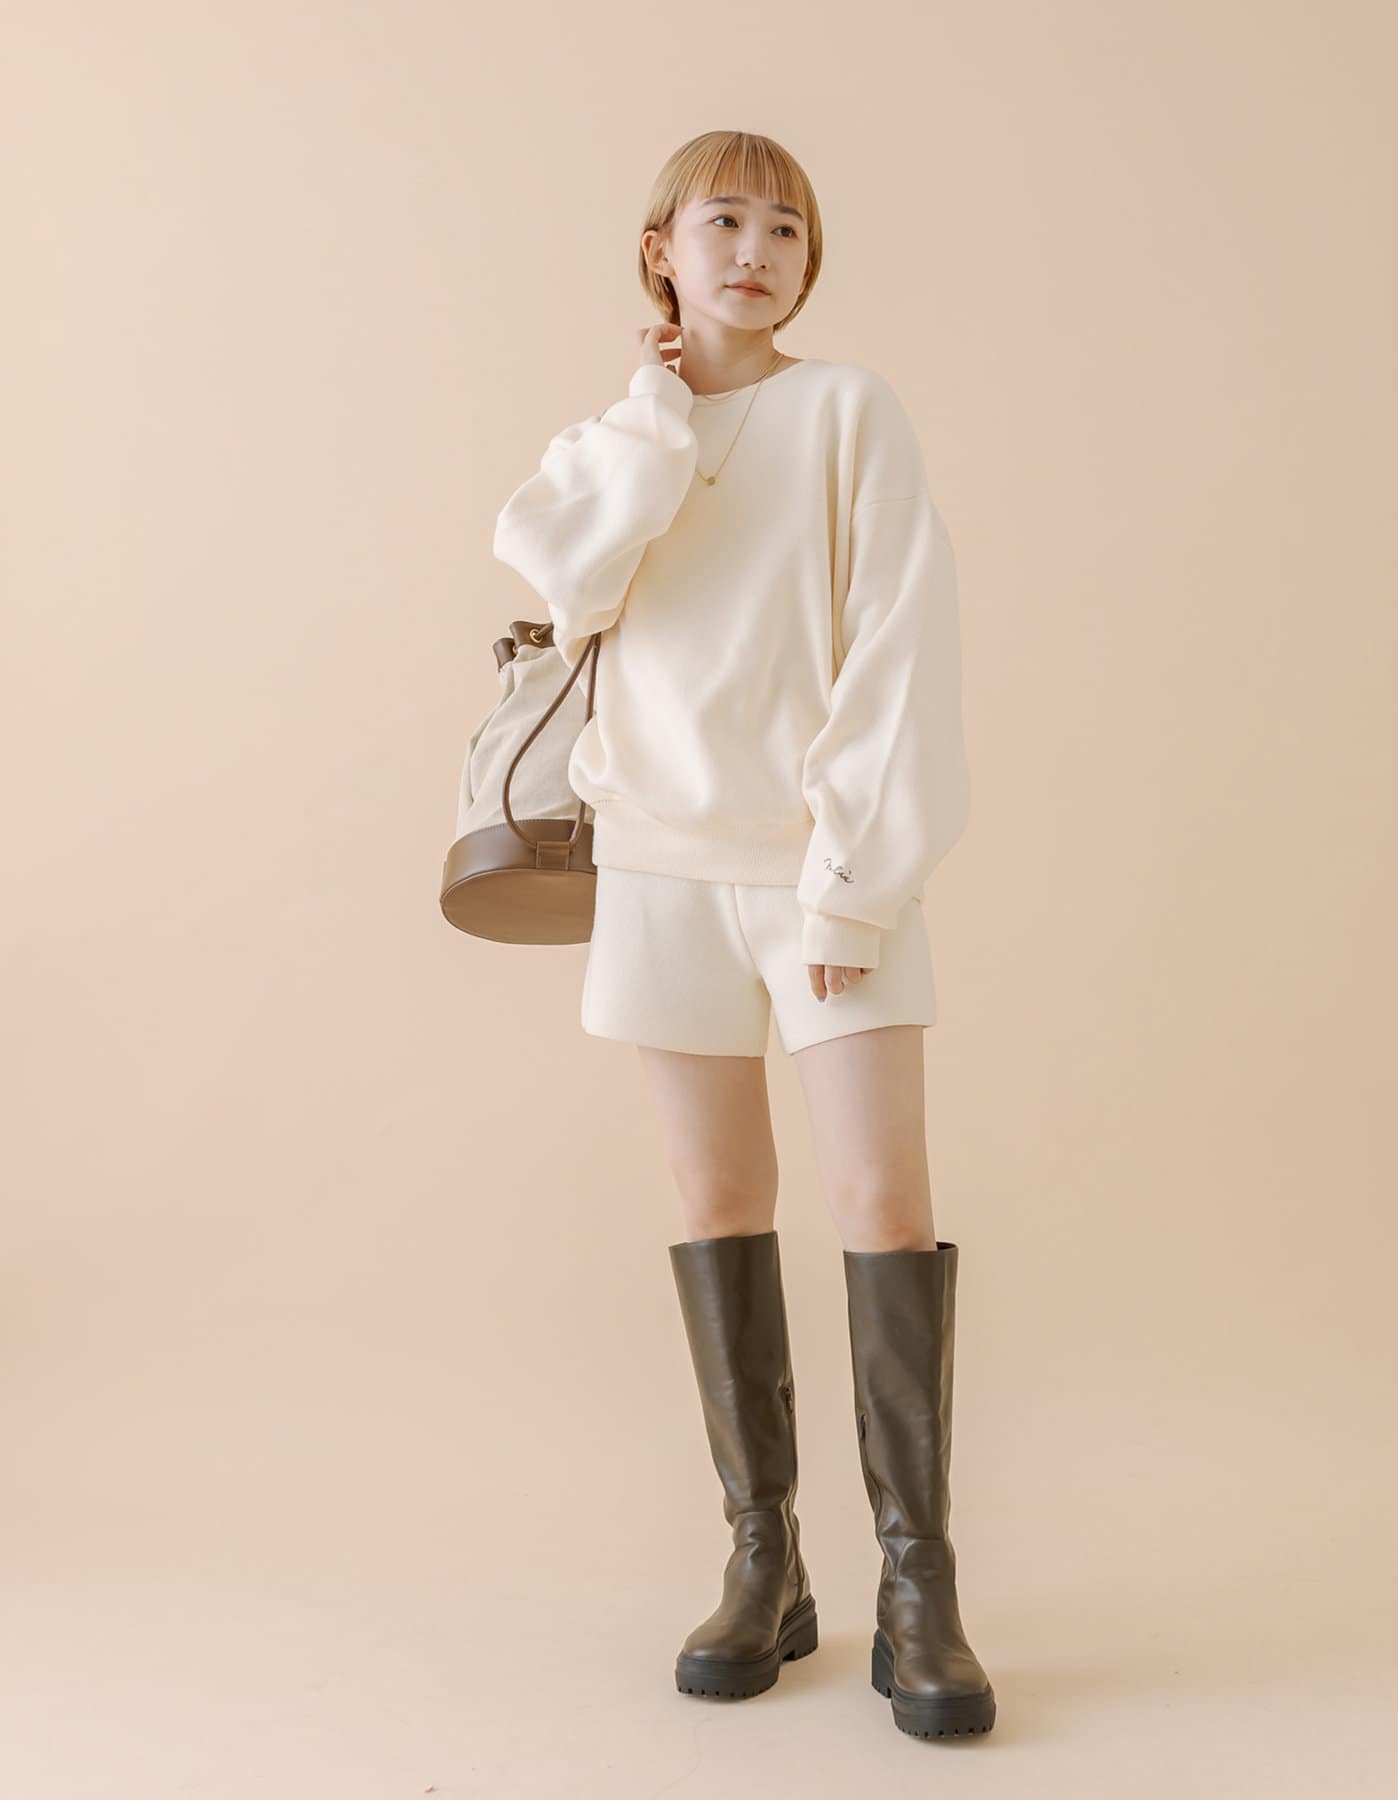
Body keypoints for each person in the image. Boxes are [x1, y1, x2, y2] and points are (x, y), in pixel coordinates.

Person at [491, 129, 995, 1740]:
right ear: (663, 249)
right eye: (725, 221)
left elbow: (901, 641)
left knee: (882, 1202)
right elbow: (566, 577)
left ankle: (917, 1587)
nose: (758, 251)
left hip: (823, 870)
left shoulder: (849, 412)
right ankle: (765, 1559)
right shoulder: (610, 443)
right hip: (655, 870)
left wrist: (853, 881)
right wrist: (654, 418)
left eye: (787, 227)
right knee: (719, 1203)